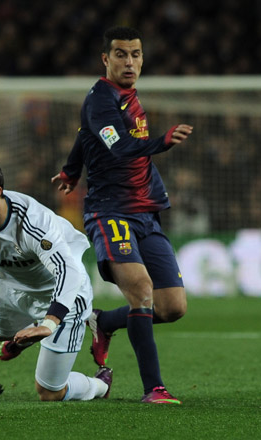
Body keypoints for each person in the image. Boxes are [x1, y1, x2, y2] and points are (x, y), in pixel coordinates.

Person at [52, 26, 193, 404]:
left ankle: (104, 321)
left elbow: (85, 134)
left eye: (135, 54)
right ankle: (154, 388)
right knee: (142, 290)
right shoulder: (101, 98)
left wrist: (71, 169)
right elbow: (117, 146)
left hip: (145, 211)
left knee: (172, 307)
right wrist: (161, 142)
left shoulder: (126, 95)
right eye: (120, 54)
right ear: (106, 59)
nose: (129, 61)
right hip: (109, 211)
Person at [0, 158, 112, 402]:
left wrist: (49, 322)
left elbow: (68, 271)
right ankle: (24, 337)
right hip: (12, 289)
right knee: (0, 333)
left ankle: (101, 383)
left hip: (63, 295)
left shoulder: (33, 221)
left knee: (50, 392)